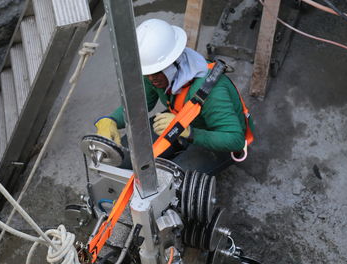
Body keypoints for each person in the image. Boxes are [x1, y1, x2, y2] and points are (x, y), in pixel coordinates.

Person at [94, 18, 254, 175]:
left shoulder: (213, 91)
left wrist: (189, 133)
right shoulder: (155, 75)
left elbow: (235, 140)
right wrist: (111, 120)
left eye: (156, 72)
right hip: (179, 122)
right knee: (126, 158)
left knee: (169, 185)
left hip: (214, 138)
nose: (151, 79)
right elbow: (140, 105)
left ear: (175, 61)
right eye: (147, 73)